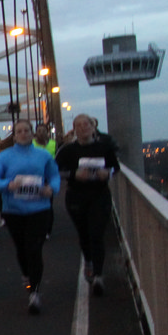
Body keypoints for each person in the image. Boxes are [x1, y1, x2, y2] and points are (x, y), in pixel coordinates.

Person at [0, 119, 61, 314]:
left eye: (26, 130)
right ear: (14, 136)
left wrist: (51, 189)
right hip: (14, 210)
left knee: (34, 249)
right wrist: (8, 185)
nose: (23, 134)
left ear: (32, 133)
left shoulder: (43, 155)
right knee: (22, 249)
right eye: (19, 131)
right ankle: (28, 277)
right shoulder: (5, 157)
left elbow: (54, 176)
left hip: (39, 209)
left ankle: (34, 292)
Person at [56, 114, 119, 296]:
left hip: (99, 195)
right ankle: (89, 261)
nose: (83, 128)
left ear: (93, 127)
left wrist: (107, 173)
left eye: (86, 124)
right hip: (76, 196)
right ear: (74, 130)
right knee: (84, 233)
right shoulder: (68, 150)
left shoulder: (104, 148)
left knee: (97, 234)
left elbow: (115, 167)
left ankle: (98, 275)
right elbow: (55, 170)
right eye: (79, 125)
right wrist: (74, 174)